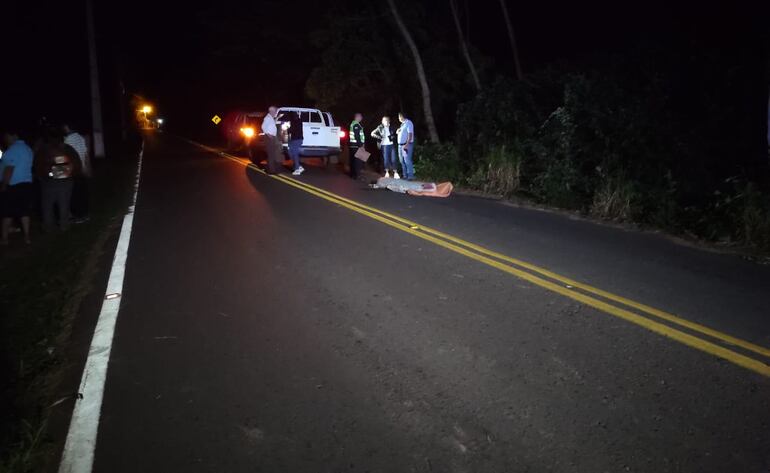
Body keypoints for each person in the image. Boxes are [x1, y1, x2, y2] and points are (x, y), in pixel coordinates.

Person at [33, 131, 82, 232]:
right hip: (66, 180)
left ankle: (48, 227)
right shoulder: (68, 148)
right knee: (64, 204)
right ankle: (64, 226)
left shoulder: (43, 150)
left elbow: (37, 165)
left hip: (49, 181)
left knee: (47, 206)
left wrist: (42, 177)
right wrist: (72, 175)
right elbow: (77, 163)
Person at [0, 127, 35, 244]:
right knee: (24, 212)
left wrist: (4, 184)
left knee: (7, 213)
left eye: (7, 137)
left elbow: (9, 169)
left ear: (13, 135)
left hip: (13, 185)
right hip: (27, 184)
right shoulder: (28, 149)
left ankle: (4, 239)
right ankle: (27, 237)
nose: (5, 139)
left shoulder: (12, 149)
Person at [63, 122, 90, 223]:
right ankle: (85, 214)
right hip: (82, 169)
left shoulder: (67, 140)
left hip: (73, 171)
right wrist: (87, 167)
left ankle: (78, 216)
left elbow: (66, 156)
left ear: (67, 127)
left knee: (75, 195)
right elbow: (85, 154)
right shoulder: (81, 138)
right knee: (83, 194)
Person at [261, 106, 282, 174]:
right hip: (269, 138)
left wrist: (277, 118)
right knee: (271, 154)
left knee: (272, 154)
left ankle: (271, 169)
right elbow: (263, 126)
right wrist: (268, 134)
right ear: (272, 111)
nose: (276, 113)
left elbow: (272, 123)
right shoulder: (267, 118)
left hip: (271, 137)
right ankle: (271, 171)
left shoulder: (270, 118)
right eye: (275, 111)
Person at [396, 113, 415, 180]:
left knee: (407, 160)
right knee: (402, 161)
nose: (398, 118)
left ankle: (410, 176)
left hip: (406, 144)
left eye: (399, 117)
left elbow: (410, 134)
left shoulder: (408, 123)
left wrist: (407, 144)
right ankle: (405, 175)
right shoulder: (402, 124)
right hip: (400, 145)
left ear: (402, 116)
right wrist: (398, 131)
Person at [287, 111, 304, 176]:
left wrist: (288, 129)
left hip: (297, 139)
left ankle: (297, 169)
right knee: (290, 152)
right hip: (295, 139)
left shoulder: (296, 121)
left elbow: (291, 130)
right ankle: (299, 166)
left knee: (295, 153)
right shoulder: (297, 121)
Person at [348, 113, 365, 179]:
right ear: (357, 117)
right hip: (357, 145)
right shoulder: (356, 125)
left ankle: (353, 175)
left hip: (353, 145)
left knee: (353, 160)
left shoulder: (353, 124)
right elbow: (357, 136)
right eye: (361, 117)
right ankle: (357, 175)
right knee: (358, 161)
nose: (361, 118)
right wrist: (361, 145)